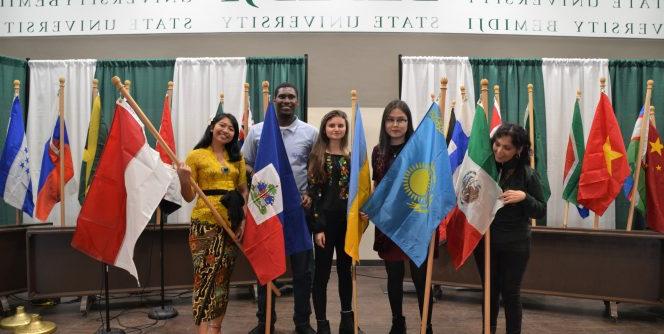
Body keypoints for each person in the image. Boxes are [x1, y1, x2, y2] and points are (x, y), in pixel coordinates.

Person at [242, 82, 318, 334]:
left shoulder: (310, 133)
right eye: (282, 96)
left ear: (297, 101)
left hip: (299, 212)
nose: (286, 100)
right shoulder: (257, 132)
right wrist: (265, 182)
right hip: (267, 209)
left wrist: (308, 193)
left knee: (303, 272)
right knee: (266, 268)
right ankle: (265, 322)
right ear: (274, 100)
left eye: (291, 97)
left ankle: (303, 322)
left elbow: (316, 169)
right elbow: (245, 165)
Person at [365, 100, 433, 334]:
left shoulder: (420, 149)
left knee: (421, 278)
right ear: (385, 123)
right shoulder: (378, 152)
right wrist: (371, 206)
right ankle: (397, 322)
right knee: (394, 277)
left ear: (408, 122)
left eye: (401, 120)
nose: (396, 124)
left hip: (415, 222)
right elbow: (378, 186)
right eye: (391, 120)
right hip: (389, 223)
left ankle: (427, 324)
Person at [176, 113, 248, 334]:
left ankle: (216, 328)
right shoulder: (196, 156)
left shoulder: (237, 158)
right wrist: (183, 177)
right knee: (205, 277)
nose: (226, 130)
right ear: (212, 127)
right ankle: (203, 330)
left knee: (222, 279)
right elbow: (188, 197)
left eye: (231, 128)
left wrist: (242, 221)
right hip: (204, 226)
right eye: (222, 125)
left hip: (231, 225)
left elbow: (243, 190)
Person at [473, 123, 546, 334]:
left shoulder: (527, 175)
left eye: (506, 148)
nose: (499, 151)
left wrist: (524, 197)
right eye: (496, 144)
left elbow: (540, 210)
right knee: (489, 291)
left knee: (511, 293)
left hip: (515, 244)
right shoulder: (485, 168)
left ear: (518, 150)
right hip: (485, 242)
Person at [307, 110, 363, 334]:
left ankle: (347, 320)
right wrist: (318, 227)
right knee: (321, 274)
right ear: (324, 128)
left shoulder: (351, 157)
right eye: (332, 125)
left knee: (345, 272)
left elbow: (358, 191)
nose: (336, 129)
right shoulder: (317, 157)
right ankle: (321, 322)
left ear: (346, 129)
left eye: (341, 125)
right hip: (325, 224)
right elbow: (313, 195)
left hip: (346, 224)